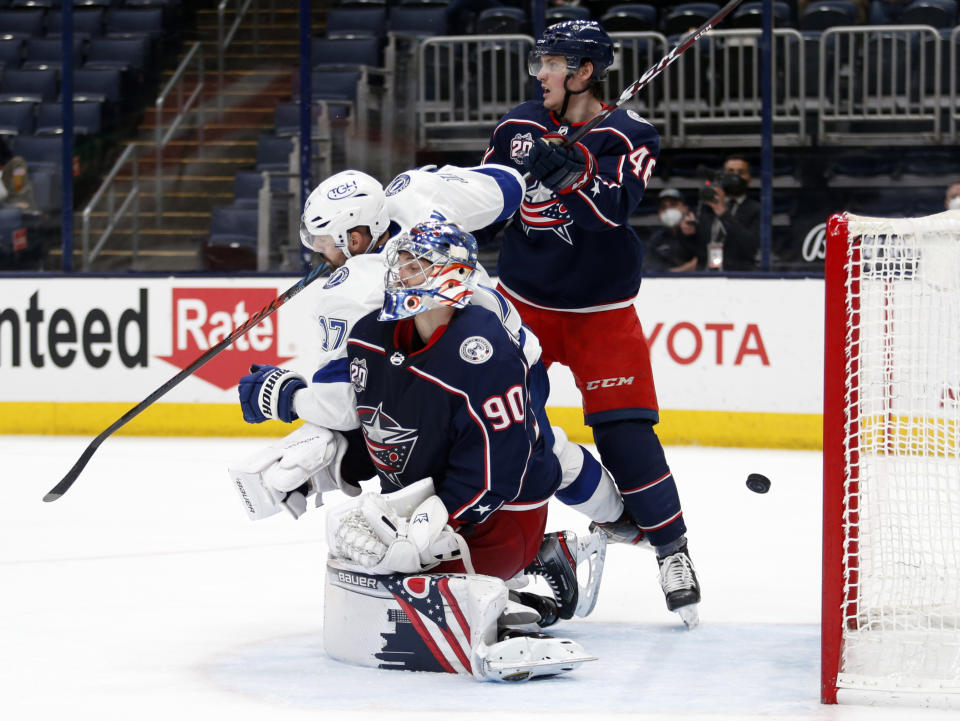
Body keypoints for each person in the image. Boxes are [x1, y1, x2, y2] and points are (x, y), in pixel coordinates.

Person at [229, 166, 621, 622]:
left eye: (326, 245)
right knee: (540, 452)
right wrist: (534, 171)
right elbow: (507, 186)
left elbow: (349, 402)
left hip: (465, 368)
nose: (322, 256)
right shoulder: (416, 194)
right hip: (516, 354)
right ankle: (609, 523)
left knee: (470, 476)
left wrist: (286, 396)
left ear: (355, 238)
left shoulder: (353, 286)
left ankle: (515, 562)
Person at [481, 19, 701, 627]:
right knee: (501, 427)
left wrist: (574, 170)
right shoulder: (519, 126)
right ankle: (534, 550)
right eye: (539, 63)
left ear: (583, 71)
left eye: (551, 63)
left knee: (626, 436)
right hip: (522, 303)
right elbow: (489, 199)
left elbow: (614, 209)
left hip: (601, 311)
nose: (539, 74)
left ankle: (672, 550)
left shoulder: (630, 134)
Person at [696, 154, 761, 272]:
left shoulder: (757, 210)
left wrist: (724, 214)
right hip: (707, 276)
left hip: (739, 277)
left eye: (740, 172)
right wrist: (686, 233)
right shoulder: (707, 206)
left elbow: (751, 246)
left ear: (750, 180)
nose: (734, 177)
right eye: (730, 172)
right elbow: (697, 246)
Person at [644, 187, 700, 273]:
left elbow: (705, 263)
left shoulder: (700, 232)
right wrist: (683, 270)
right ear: (659, 212)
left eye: (673, 204)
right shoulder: (656, 239)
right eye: (663, 207)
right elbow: (649, 268)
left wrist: (690, 236)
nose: (668, 210)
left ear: (686, 208)